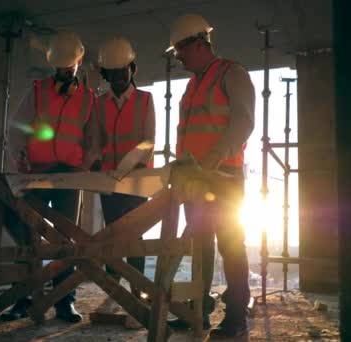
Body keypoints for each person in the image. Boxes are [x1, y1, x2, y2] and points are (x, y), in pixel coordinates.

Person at [0, 30, 104, 323]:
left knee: (65, 239)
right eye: (59, 69)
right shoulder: (37, 91)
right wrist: (19, 156)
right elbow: (17, 127)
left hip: (68, 177)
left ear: (78, 63)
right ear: (52, 66)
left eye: (67, 69)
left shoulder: (87, 99)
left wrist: (85, 163)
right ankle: (23, 298)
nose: (63, 73)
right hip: (36, 172)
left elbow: (93, 140)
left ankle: (63, 301)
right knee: (26, 232)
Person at [165, 14, 255, 338]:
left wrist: (213, 157)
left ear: (200, 44)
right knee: (200, 245)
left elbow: (244, 122)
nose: (179, 57)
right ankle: (198, 310)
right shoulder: (192, 85)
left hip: (224, 176)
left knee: (231, 245)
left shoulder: (231, 73)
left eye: (181, 51)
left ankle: (235, 319)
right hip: (195, 179)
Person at [96, 36, 155, 296]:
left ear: (132, 69)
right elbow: (95, 142)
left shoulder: (145, 100)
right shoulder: (99, 104)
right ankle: (113, 285)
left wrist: (130, 164)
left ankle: (137, 287)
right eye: (113, 74)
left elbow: (148, 141)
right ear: (106, 75)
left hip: (137, 180)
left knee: (134, 234)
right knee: (113, 233)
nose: (119, 78)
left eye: (122, 72)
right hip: (109, 181)